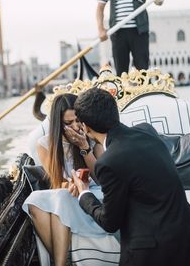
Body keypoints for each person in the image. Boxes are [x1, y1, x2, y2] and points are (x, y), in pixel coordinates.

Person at [70, 87, 190, 266]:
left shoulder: (108, 162)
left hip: (154, 252)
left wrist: (83, 193)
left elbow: (110, 222)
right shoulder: (146, 130)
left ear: (85, 127)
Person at [22, 93, 119, 266]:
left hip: (94, 193)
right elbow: (57, 181)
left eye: (77, 120)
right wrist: (72, 184)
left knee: (60, 198)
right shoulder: (45, 144)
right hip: (67, 192)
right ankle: (63, 261)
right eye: (68, 123)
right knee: (33, 201)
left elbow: (101, 178)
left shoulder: (92, 136)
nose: (75, 126)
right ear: (58, 124)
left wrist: (84, 147)